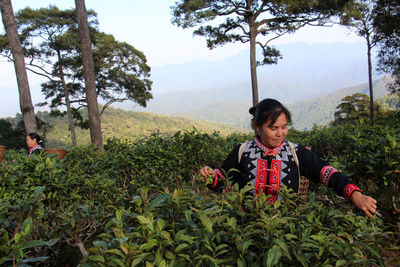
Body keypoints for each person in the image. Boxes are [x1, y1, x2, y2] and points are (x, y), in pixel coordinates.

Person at [199, 98, 377, 218]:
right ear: (257, 127)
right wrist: (210, 176)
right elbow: (223, 180)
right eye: (273, 128)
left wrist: (354, 194)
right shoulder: (242, 151)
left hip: (287, 230)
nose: (280, 133)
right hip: (247, 230)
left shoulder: (296, 152)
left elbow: (326, 173)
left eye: (284, 127)